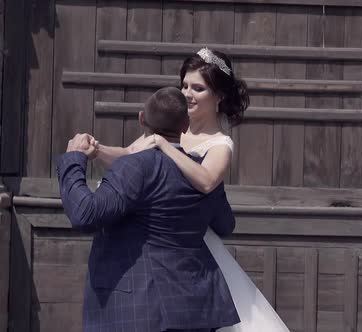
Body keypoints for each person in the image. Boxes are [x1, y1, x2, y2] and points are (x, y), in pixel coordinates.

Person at [91, 48, 290, 332]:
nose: (187, 93)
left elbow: (207, 181)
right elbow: (128, 154)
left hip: (194, 246)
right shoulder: (170, 125)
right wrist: (96, 150)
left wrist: (163, 146)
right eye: (184, 85)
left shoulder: (221, 144)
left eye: (198, 88)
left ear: (218, 97)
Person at [57, 87, 239, 332]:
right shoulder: (203, 175)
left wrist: (74, 160)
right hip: (195, 309)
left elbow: (85, 214)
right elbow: (225, 225)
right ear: (185, 125)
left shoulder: (136, 167)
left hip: (139, 309)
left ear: (141, 118)